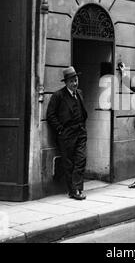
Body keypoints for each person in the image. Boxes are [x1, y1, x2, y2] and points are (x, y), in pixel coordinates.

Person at [47, 66, 88, 200]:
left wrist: (83, 127)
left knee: (81, 160)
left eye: (76, 80)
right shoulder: (58, 96)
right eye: (72, 81)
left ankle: (77, 188)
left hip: (80, 132)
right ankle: (73, 191)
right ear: (66, 82)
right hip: (67, 135)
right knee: (69, 163)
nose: (75, 83)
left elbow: (83, 112)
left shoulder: (80, 93)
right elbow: (50, 115)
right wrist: (60, 130)